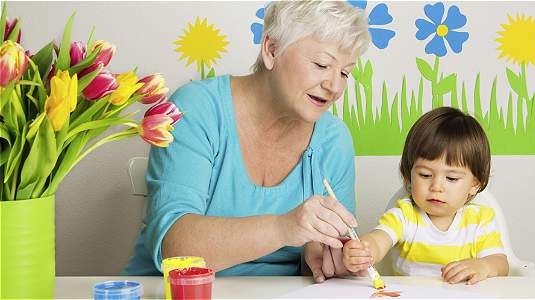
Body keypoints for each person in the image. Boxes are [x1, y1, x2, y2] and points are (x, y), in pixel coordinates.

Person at [123, 1, 371, 282]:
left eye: (344, 72)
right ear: (271, 49)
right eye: (322, 64)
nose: (335, 87)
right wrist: (283, 227)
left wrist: (321, 256)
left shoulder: (334, 140)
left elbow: (331, 256)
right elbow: (174, 248)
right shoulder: (197, 108)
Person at [342, 107, 509, 285]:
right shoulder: (404, 216)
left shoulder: (480, 221)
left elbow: (501, 264)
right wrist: (364, 250)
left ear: (474, 184)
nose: (436, 186)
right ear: (408, 176)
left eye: (451, 178)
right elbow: (378, 239)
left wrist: (482, 266)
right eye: (425, 175)